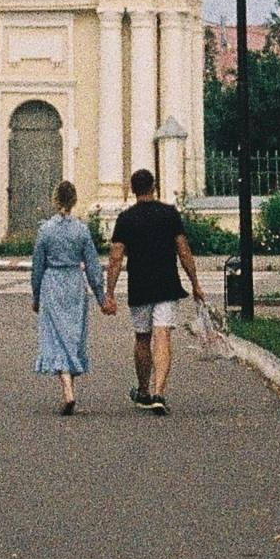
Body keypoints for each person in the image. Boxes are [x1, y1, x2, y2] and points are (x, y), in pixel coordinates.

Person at [103, 164, 201, 412]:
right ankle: (159, 392)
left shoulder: (126, 219)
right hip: (167, 283)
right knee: (163, 335)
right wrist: (195, 284)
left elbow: (116, 257)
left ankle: (144, 390)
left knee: (142, 338)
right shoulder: (169, 214)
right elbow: (183, 250)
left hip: (140, 285)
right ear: (154, 187)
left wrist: (110, 293)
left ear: (133, 190)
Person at [29, 180, 105, 416]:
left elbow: (37, 266)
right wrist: (101, 296)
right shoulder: (81, 230)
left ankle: (67, 391)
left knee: (56, 337)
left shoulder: (46, 230)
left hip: (52, 283)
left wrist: (36, 295)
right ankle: (69, 387)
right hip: (74, 283)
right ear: (74, 201)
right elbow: (93, 266)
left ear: (55, 200)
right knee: (73, 336)